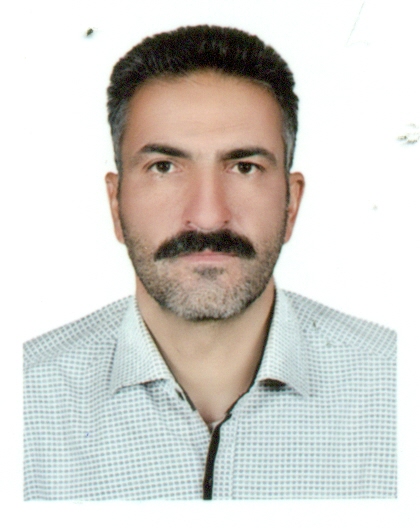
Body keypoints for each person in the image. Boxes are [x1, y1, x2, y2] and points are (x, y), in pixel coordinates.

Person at [24, 25, 396, 500]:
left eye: (244, 167)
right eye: (164, 167)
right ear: (116, 204)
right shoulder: (23, 403)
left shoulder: (398, 390)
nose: (207, 215)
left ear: (291, 204)